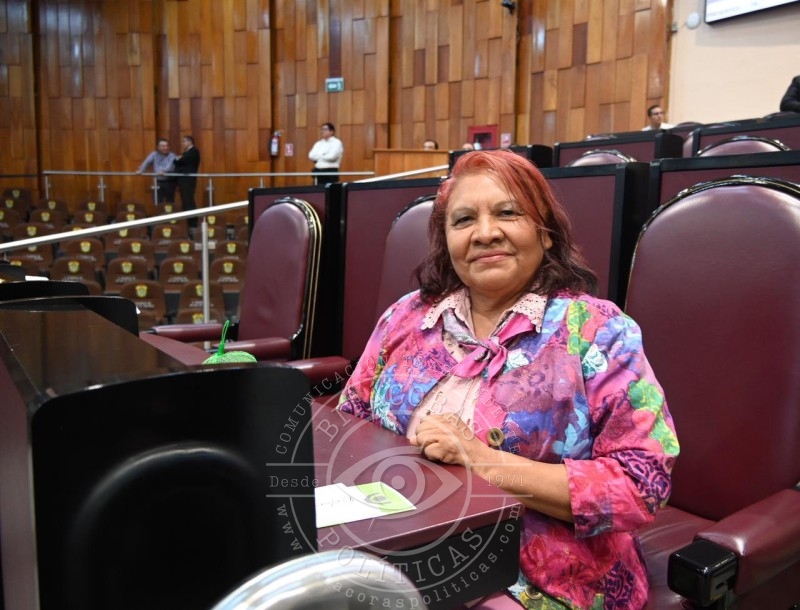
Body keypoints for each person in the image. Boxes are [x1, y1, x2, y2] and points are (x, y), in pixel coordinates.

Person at [338, 149, 679, 610]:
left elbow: (640, 486)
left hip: (538, 578)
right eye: (464, 220)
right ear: (446, 240)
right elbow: (352, 420)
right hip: (395, 545)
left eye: (507, 213)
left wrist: (482, 460)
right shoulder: (406, 316)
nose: (485, 233)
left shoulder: (598, 331)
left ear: (545, 232)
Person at [137, 138, 177, 204]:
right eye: (163, 146)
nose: (166, 148)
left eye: (167, 146)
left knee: (170, 201)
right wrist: (141, 170)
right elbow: (147, 162)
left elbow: (170, 166)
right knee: (157, 201)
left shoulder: (172, 155)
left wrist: (164, 171)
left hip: (169, 181)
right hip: (157, 181)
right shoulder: (154, 154)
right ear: (158, 147)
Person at [174, 135, 201, 218]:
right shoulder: (186, 153)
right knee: (185, 201)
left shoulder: (193, 151)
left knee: (188, 200)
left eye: (184, 141)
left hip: (188, 180)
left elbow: (181, 161)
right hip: (184, 180)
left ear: (190, 142)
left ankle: (192, 220)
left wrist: (178, 159)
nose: (182, 144)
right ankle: (188, 219)